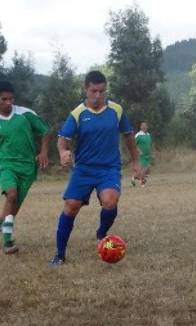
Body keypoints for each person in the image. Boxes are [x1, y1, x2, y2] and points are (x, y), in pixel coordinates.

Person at [50, 70, 141, 266]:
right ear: (86, 89)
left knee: (110, 202)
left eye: (101, 91)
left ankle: (101, 233)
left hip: (109, 168)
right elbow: (62, 140)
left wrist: (135, 162)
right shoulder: (77, 114)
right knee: (71, 206)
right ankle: (59, 254)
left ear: (105, 89)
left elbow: (129, 136)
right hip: (83, 169)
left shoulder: (116, 110)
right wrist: (63, 153)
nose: (98, 95)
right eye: (93, 91)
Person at [0, 81, 50, 254]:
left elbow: (45, 131)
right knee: (11, 194)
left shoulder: (25, 114)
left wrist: (43, 152)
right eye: (4, 99)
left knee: (11, 210)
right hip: (5, 165)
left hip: (27, 169)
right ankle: (8, 242)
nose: (8, 103)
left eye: (11, 99)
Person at [133, 121, 153, 187]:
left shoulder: (148, 135)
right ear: (140, 127)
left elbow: (149, 145)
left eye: (145, 125)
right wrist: (139, 151)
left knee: (148, 170)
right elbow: (133, 145)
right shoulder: (138, 135)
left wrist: (151, 153)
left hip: (148, 155)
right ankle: (142, 183)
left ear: (147, 127)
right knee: (144, 169)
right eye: (142, 125)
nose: (144, 127)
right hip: (141, 155)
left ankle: (134, 178)